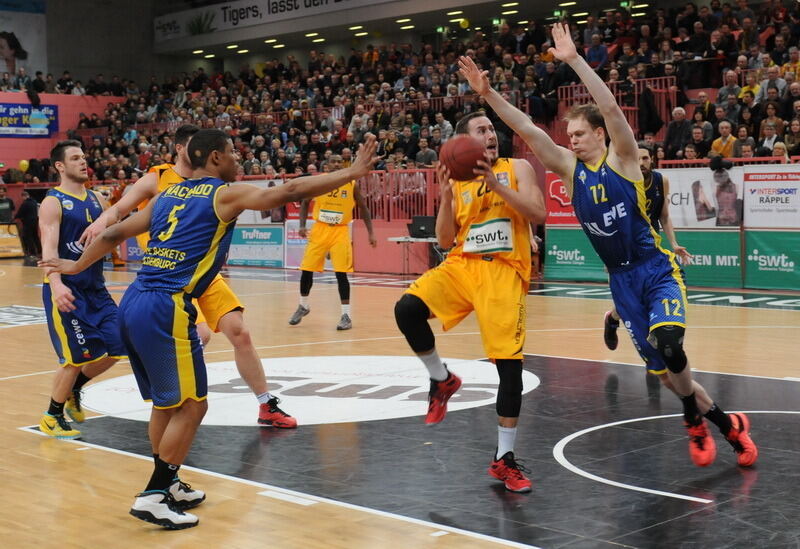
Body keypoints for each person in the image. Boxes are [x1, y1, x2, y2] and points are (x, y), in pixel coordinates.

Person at [40, 129, 380, 529]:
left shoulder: (167, 194)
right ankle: (154, 493)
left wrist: (75, 266)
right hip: (165, 306)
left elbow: (114, 231)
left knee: (167, 404)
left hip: (134, 300)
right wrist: (352, 171)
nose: (239, 158)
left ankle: (170, 484)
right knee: (193, 405)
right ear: (215, 158)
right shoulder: (223, 193)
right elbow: (291, 191)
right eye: (233, 152)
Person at [458, 24, 756, 471]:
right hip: (622, 284)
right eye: (569, 134)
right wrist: (488, 94)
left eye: (579, 133)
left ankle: (693, 420)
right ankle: (728, 425)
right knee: (673, 378)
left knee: (672, 348)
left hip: (656, 270)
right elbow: (523, 125)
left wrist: (575, 61)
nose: (570, 139)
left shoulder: (625, 159)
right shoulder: (568, 169)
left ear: (600, 134)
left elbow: (612, 107)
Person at [81, 125, 296, 429]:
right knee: (201, 336)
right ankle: (163, 386)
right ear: (182, 148)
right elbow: (119, 210)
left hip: (202, 273)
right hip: (167, 278)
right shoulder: (157, 179)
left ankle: (266, 404)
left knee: (240, 332)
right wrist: (100, 223)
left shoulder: (215, 184)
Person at [393, 110, 546, 493]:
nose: (490, 134)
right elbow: (444, 241)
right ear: (464, 143)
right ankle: (441, 379)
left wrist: (497, 186)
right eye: (481, 131)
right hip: (462, 264)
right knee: (406, 309)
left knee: (509, 367)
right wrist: (445, 196)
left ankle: (504, 459)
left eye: (491, 129)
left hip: (504, 271)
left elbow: (538, 213)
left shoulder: (517, 168)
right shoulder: (457, 180)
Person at [38, 140, 125, 440]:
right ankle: (52, 416)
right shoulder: (53, 202)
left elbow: (114, 225)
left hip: (96, 289)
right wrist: (57, 285)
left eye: (84, 157)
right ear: (60, 166)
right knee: (74, 360)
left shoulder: (97, 199)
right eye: (75, 158)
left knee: (119, 344)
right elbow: (48, 249)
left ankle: (74, 390)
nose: (83, 162)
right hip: (67, 290)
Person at [603, 147, 692, 351]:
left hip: (651, 250)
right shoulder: (621, 182)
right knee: (629, 304)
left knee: (653, 300)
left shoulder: (661, 181)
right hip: (624, 252)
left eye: (645, 158)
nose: (641, 162)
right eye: (637, 158)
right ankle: (612, 319)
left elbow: (664, 216)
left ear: (652, 160)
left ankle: (658, 353)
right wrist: (610, 257)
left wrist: (674, 243)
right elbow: (611, 223)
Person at [288, 154, 377, 331]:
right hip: (320, 229)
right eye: (333, 162)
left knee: (341, 273)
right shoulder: (318, 182)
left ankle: (346, 315)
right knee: (306, 269)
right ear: (327, 165)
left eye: (339, 162)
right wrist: (302, 225)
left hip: (340, 231)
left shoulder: (351, 183)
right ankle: (303, 305)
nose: (336, 164)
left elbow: (364, 207)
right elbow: (305, 202)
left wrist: (371, 232)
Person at [14, 190, 41, 260]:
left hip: (28, 223)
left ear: (24, 196)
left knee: (28, 237)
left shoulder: (25, 203)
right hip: (35, 221)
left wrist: (15, 217)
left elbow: (20, 212)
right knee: (35, 237)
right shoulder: (34, 202)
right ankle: (40, 251)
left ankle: (32, 253)